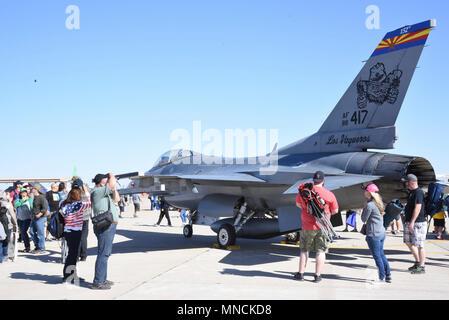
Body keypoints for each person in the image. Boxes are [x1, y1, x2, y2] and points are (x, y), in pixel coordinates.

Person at [294, 171, 339, 282]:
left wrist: (306, 210)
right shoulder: (329, 194)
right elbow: (335, 211)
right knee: (321, 251)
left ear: (313, 180)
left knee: (304, 250)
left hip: (307, 226)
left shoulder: (304, 191)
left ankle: (301, 274)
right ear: (323, 180)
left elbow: (298, 204)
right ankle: (317, 275)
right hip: (323, 226)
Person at [90, 173, 120, 290]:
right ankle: (98, 281)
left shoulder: (104, 192)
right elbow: (111, 184)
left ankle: (102, 278)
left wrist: (114, 187)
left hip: (109, 225)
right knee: (103, 253)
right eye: (106, 178)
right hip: (105, 225)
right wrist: (112, 176)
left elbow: (116, 199)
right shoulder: (97, 191)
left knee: (105, 253)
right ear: (101, 181)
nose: (108, 179)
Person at [60, 184, 91, 284]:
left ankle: (68, 275)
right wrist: (86, 192)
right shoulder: (79, 205)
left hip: (67, 231)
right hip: (75, 231)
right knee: (73, 255)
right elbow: (90, 203)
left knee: (71, 254)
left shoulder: (64, 204)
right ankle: (69, 276)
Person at [361, 184, 392, 283]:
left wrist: (364, 207)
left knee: (377, 256)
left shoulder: (370, 205)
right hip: (381, 232)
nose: (364, 192)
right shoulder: (379, 202)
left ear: (369, 193)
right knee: (381, 254)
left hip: (373, 234)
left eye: (365, 190)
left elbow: (363, 219)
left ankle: (381, 277)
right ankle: (388, 275)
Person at [401, 174, 427, 274]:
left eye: (406, 182)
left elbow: (418, 208)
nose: (405, 183)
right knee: (408, 242)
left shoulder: (419, 192)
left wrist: (412, 222)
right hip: (409, 221)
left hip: (418, 223)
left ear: (411, 182)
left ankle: (422, 266)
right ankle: (417, 262)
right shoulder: (412, 192)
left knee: (420, 245)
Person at [72, 179, 90, 262]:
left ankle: (76, 256)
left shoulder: (72, 194)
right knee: (83, 237)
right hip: (85, 218)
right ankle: (84, 255)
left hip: (76, 218)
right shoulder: (85, 194)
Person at [29, 184, 48, 254]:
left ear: (36, 190)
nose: (32, 190)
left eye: (33, 189)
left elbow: (45, 208)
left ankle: (42, 248)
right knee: (31, 232)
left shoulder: (41, 197)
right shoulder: (35, 197)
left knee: (40, 233)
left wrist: (40, 214)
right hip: (34, 217)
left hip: (41, 218)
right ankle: (37, 246)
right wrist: (32, 215)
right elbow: (34, 208)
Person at [0, 191, 17, 263]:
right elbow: (13, 216)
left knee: (1, 241)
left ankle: (2, 257)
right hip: (7, 225)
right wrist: (15, 225)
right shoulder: (8, 204)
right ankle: (5, 255)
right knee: (6, 241)